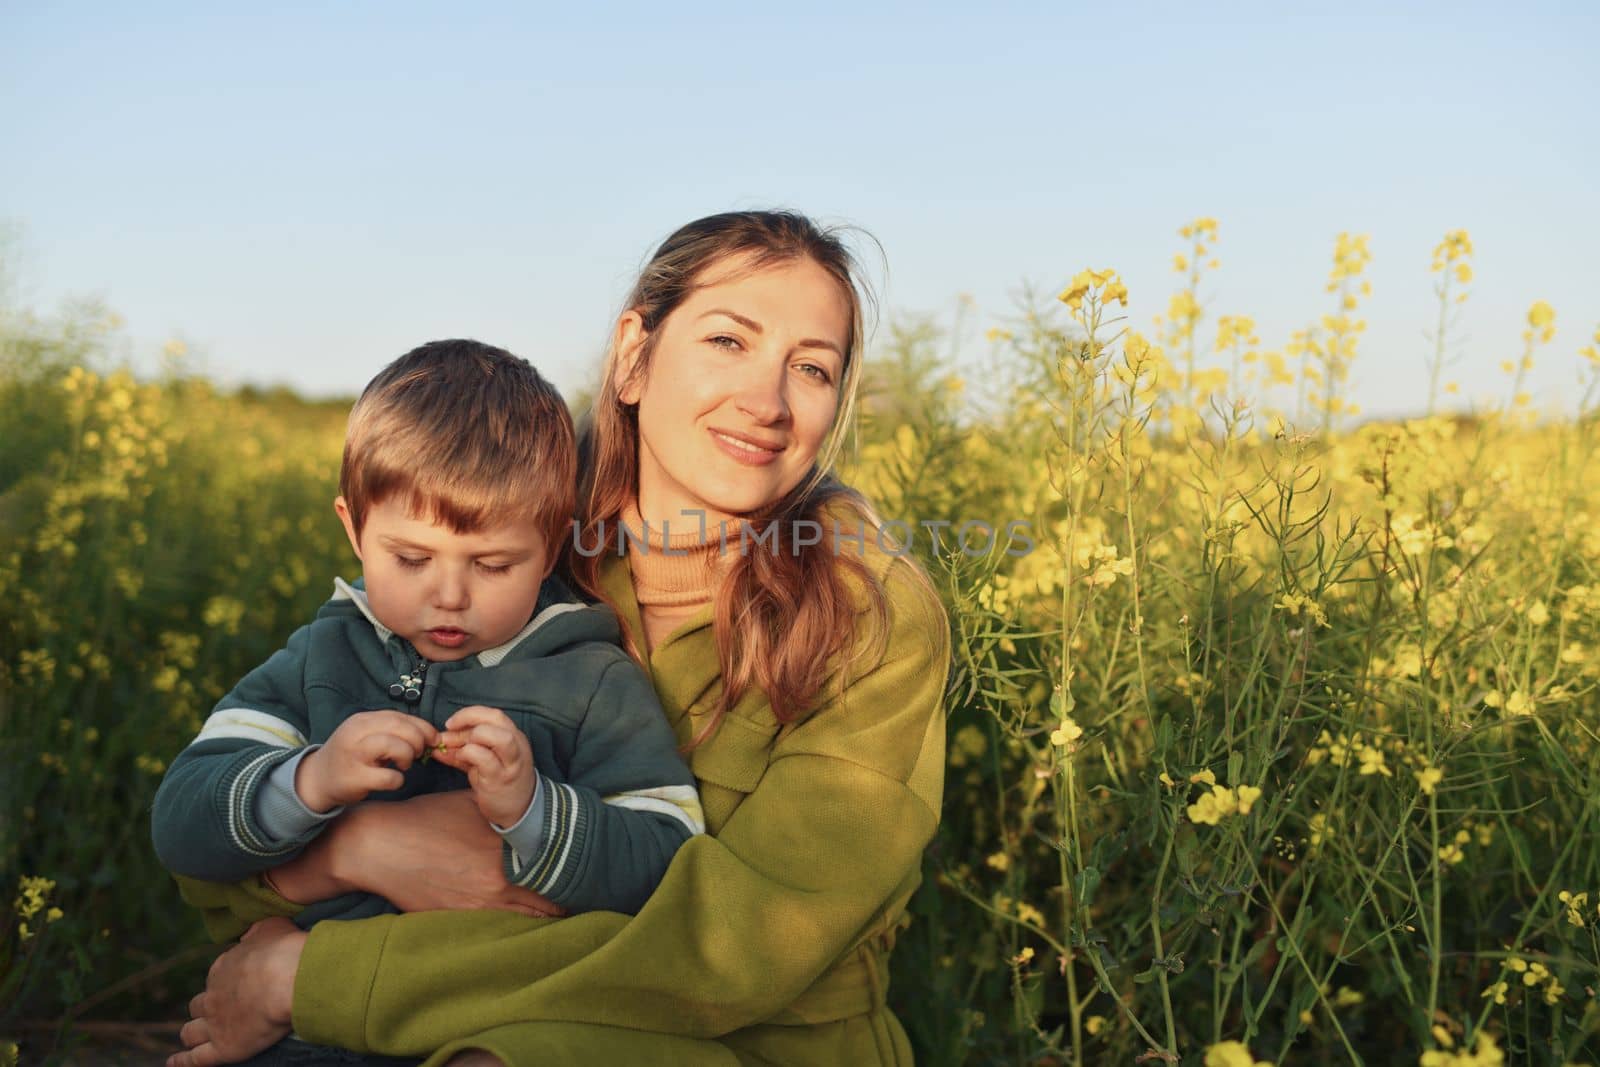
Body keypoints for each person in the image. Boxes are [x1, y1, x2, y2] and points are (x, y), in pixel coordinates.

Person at [169, 211, 950, 1067]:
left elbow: (740, 947)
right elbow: (206, 867)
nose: (766, 403)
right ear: (634, 354)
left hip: (752, 1040)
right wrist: (358, 849)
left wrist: (319, 976)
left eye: (811, 367)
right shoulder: (500, 537)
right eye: (729, 341)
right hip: (460, 1004)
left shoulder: (868, 614)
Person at [152, 339, 703, 939]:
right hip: (314, 999)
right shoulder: (322, 656)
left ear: (550, 550)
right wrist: (310, 780)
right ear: (354, 529)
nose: (449, 596)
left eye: (492, 566)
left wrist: (532, 810)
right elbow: (181, 825)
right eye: (412, 558)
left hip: (500, 1005)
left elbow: (668, 858)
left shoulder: (591, 679)